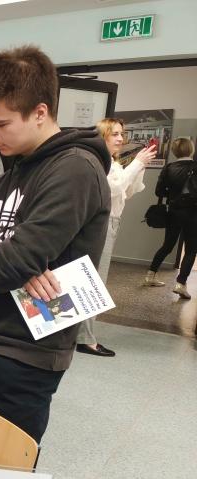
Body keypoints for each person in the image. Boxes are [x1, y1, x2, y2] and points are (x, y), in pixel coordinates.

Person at [0, 45, 111, 445]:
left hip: (27, 351)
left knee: (5, 476)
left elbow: (9, 267)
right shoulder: (5, 178)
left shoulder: (75, 170)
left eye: (1, 123)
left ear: (39, 112)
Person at [75, 118, 156, 357]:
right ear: (104, 136)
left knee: (94, 279)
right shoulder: (98, 162)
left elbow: (128, 190)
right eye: (116, 134)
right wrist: (136, 164)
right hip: (100, 224)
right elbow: (114, 188)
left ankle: (81, 335)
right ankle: (85, 339)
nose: (121, 138)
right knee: (94, 280)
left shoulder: (113, 163)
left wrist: (140, 167)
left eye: (122, 134)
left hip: (111, 222)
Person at [145, 137, 197, 298]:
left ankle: (150, 276)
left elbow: (159, 192)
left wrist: (173, 196)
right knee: (191, 250)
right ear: (191, 149)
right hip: (193, 213)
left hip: (173, 211)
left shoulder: (169, 167)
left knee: (167, 245)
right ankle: (180, 284)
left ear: (174, 151)